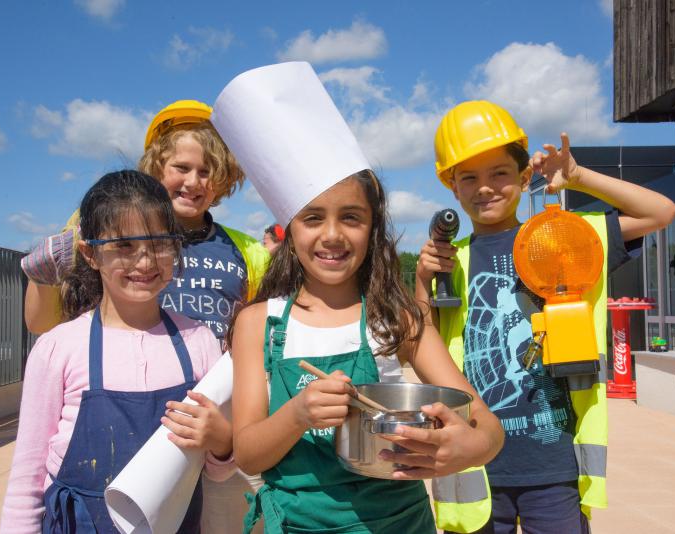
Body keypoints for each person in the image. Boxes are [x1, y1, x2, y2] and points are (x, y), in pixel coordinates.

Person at [212, 61, 504, 534]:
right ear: (289, 232)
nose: (332, 235)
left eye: (351, 217)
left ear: (373, 227)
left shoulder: (399, 319)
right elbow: (247, 451)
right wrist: (297, 414)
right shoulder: (258, 324)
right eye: (312, 219)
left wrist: (472, 449)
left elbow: (488, 428)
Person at [416, 101, 675, 534]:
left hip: (553, 465)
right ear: (453, 187)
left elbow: (661, 212)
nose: (485, 188)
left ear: (524, 177)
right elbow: (418, 337)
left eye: (500, 173)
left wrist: (578, 175)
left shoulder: (564, 239)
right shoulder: (451, 263)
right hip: (474, 465)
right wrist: (423, 281)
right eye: (469, 178)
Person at [20, 100, 270, 533]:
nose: (194, 181)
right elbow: (45, 324)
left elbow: (261, 334)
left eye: (208, 171)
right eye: (181, 167)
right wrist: (42, 275)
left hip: (204, 427)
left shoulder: (247, 251)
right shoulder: (98, 226)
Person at [0, 170, 235, 533]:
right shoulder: (58, 348)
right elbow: (27, 480)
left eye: (159, 243)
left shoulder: (201, 342)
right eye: (124, 245)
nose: (144, 261)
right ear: (90, 254)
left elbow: (218, 471)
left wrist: (221, 441)